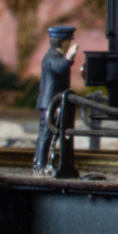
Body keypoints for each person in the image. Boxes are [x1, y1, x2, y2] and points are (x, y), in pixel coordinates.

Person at [34, 26, 77, 174]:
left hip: (55, 102)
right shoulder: (52, 57)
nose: (68, 45)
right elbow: (59, 68)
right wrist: (69, 57)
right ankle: (40, 164)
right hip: (49, 103)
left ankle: (45, 163)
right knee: (46, 134)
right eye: (67, 42)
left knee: (52, 133)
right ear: (62, 42)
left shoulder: (54, 56)